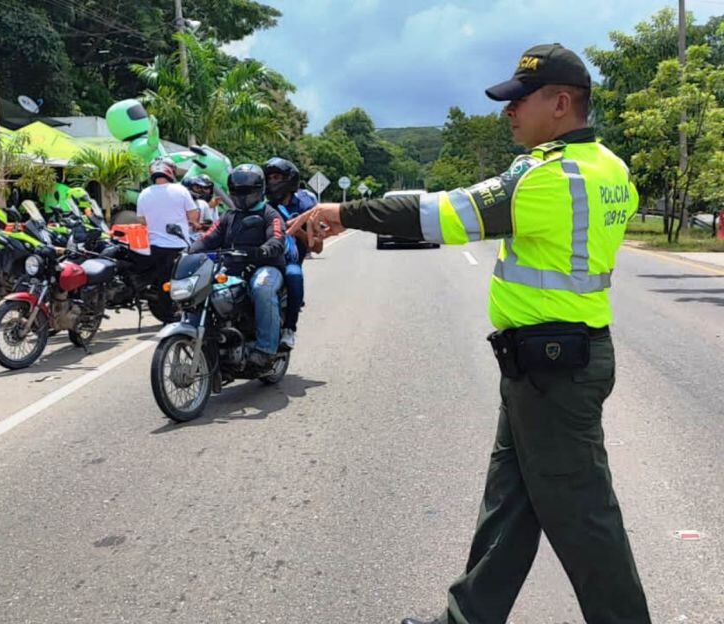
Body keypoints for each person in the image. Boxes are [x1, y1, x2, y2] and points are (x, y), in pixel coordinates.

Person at [288, 44, 650, 624]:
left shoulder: (547, 178)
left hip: (555, 369)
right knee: (509, 505)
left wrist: (344, 212)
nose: (509, 111)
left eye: (520, 100)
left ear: (561, 104)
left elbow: (439, 215)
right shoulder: (610, 167)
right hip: (547, 363)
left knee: (585, 519)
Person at [190, 164, 286, 368]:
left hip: (265, 266)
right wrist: (188, 251)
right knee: (202, 288)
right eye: (237, 191)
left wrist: (263, 250)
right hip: (233, 268)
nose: (242, 196)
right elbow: (208, 238)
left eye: (247, 191)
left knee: (262, 288)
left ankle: (266, 349)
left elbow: (277, 239)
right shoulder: (229, 216)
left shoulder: (270, 214)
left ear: (260, 190)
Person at [262, 157, 315, 349]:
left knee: (294, 275)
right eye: (269, 178)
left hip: (288, 261)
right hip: (265, 258)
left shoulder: (304, 207)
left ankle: (289, 329)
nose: (272, 182)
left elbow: (316, 246)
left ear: (289, 179)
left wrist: (296, 229)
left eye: (277, 177)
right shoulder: (263, 206)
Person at [136, 157, 200, 288]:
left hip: (154, 248)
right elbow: (193, 216)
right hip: (178, 246)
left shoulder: (144, 193)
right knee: (179, 286)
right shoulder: (180, 190)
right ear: (171, 171)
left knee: (160, 285)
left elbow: (142, 221)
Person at [181, 174, 219, 241]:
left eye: (201, 187)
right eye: (197, 187)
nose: (200, 190)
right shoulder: (179, 203)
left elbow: (210, 224)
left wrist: (200, 226)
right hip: (181, 239)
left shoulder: (203, 203)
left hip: (198, 239)